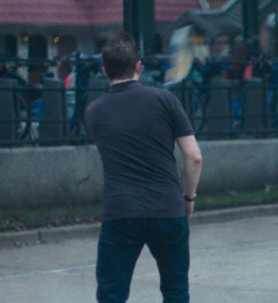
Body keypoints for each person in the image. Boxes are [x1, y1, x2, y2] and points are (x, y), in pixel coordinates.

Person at [85, 30, 203, 303]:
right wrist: (189, 198)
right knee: (175, 290)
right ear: (139, 66)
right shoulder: (165, 100)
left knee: (111, 293)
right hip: (167, 208)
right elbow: (194, 156)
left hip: (121, 212)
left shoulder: (94, 111)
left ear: (104, 70)